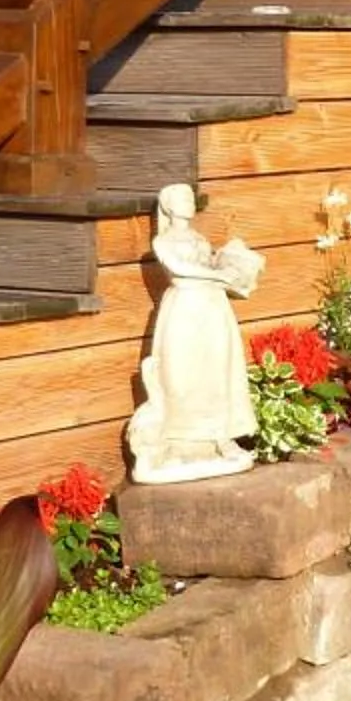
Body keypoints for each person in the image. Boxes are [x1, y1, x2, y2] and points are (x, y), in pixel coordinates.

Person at [128, 182, 264, 482]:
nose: (190, 203)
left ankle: (219, 435)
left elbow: (209, 264)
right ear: (169, 206)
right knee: (183, 372)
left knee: (215, 371)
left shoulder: (199, 238)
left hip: (212, 306)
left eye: (191, 197)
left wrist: (233, 263)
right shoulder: (163, 242)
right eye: (182, 198)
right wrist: (219, 274)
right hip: (186, 308)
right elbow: (180, 268)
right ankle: (180, 439)